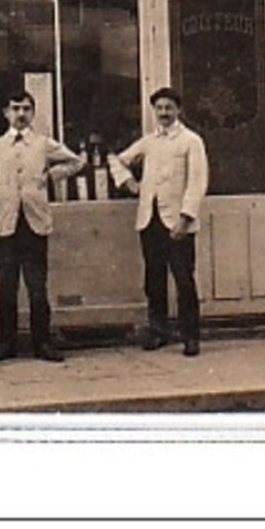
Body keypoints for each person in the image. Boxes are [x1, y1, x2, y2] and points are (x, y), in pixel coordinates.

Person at [0, 90, 85, 363]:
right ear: (6, 113)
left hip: (35, 225)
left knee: (37, 288)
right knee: (6, 290)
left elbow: (76, 161)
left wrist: (50, 176)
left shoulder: (42, 144)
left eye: (26, 108)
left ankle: (43, 343)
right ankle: (5, 343)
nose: (21, 114)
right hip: (6, 227)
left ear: (33, 113)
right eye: (15, 109)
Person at [108, 87, 209, 357]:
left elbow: (197, 182)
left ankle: (191, 337)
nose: (164, 113)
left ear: (178, 110)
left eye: (169, 108)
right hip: (149, 221)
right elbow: (117, 160)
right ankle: (158, 332)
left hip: (177, 222)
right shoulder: (149, 141)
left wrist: (186, 218)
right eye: (159, 108)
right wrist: (129, 182)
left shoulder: (191, 141)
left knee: (184, 281)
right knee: (154, 280)